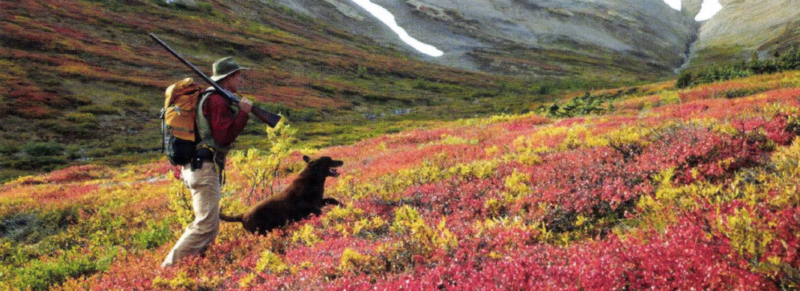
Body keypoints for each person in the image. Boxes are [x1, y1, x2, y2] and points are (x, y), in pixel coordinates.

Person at [162, 57, 253, 267]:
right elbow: (224, 136)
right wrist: (243, 114)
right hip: (203, 168)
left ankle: (193, 270)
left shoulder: (208, 97)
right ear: (228, 78)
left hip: (196, 167)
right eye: (238, 75)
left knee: (210, 226)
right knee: (205, 226)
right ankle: (167, 271)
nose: (240, 78)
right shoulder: (218, 100)